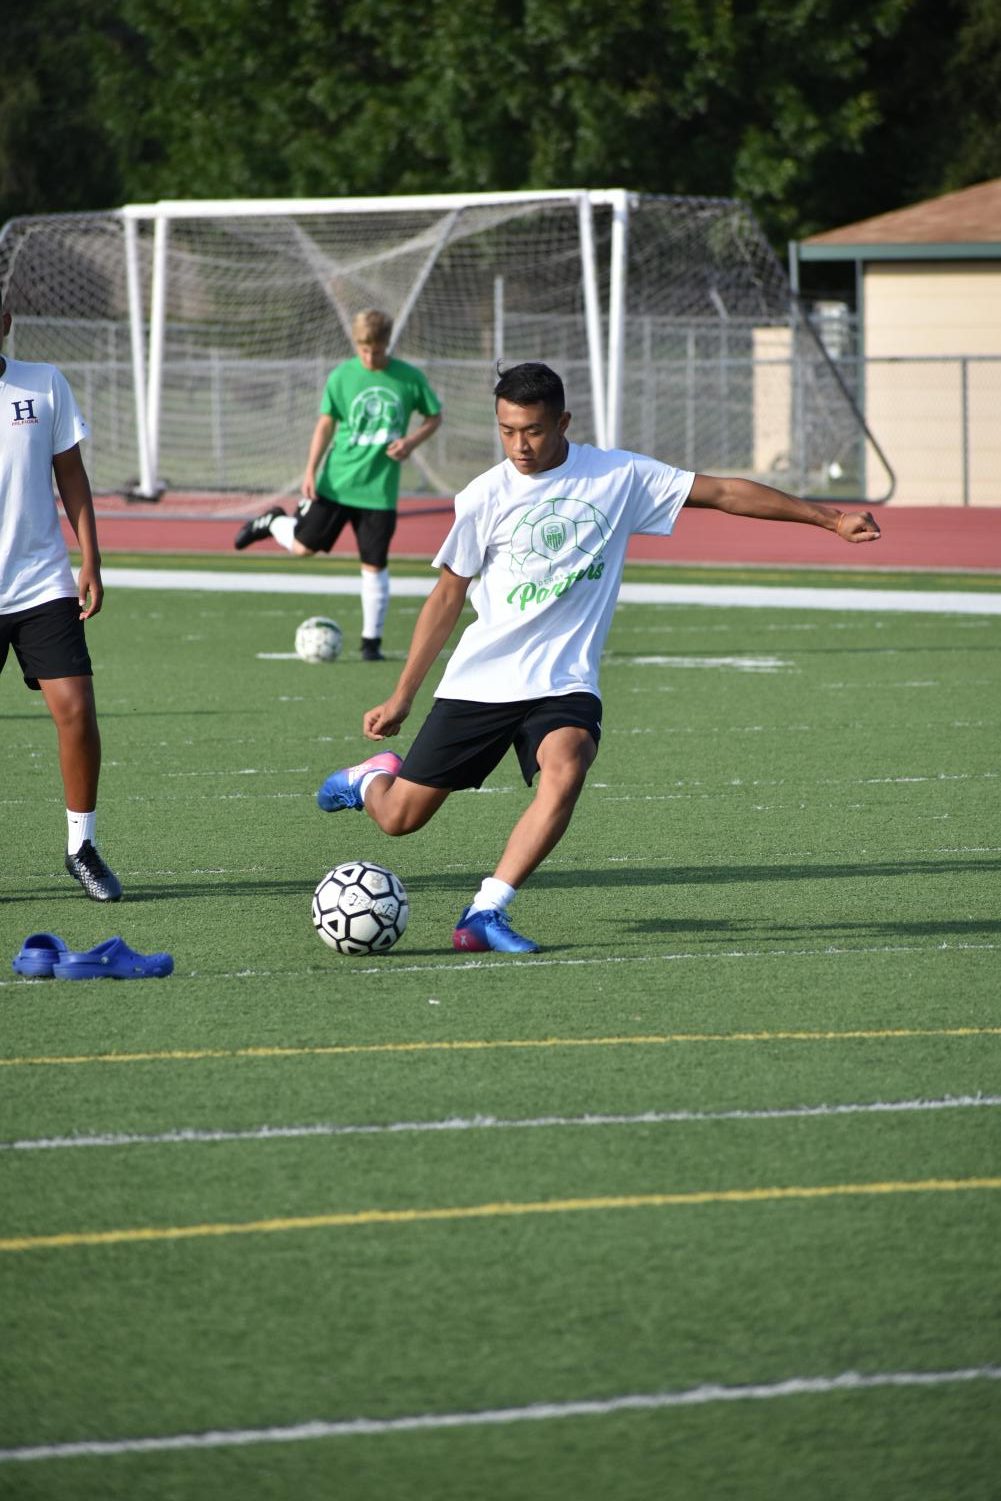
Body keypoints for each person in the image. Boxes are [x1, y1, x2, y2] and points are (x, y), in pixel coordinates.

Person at [315, 361, 880, 953]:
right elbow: (448, 595)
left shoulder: (618, 476)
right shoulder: (484, 495)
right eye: (506, 431)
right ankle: (374, 776)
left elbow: (725, 492)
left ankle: (485, 911)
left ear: (562, 421)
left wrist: (832, 519)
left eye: (531, 429)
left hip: (565, 679)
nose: (519, 445)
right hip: (484, 679)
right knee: (400, 819)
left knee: (567, 767)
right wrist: (402, 693)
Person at [0, 291, 121, 902]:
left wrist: (91, 558)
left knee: (75, 711)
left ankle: (82, 847)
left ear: (5, 322)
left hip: (41, 582)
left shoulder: (43, 384)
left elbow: (70, 473)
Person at [235, 308, 443, 661]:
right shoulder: (342, 377)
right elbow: (325, 425)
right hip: (336, 483)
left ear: (386, 344)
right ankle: (273, 521)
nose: (369, 356)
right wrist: (310, 471)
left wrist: (411, 442)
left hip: (379, 491)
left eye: (375, 350)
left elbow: (434, 416)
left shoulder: (408, 378)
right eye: (363, 349)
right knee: (303, 548)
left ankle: (371, 643)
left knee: (374, 564)